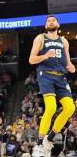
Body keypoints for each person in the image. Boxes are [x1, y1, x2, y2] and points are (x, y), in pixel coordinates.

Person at [29, 15, 75, 157]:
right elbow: (31, 59)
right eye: (48, 21)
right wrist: (45, 56)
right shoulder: (41, 38)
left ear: (58, 24)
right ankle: (39, 143)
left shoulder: (64, 41)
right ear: (45, 26)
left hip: (61, 77)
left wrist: (71, 66)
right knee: (51, 107)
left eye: (53, 20)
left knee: (70, 108)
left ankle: (49, 138)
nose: (50, 22)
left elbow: (67, 62)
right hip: (46, 75)